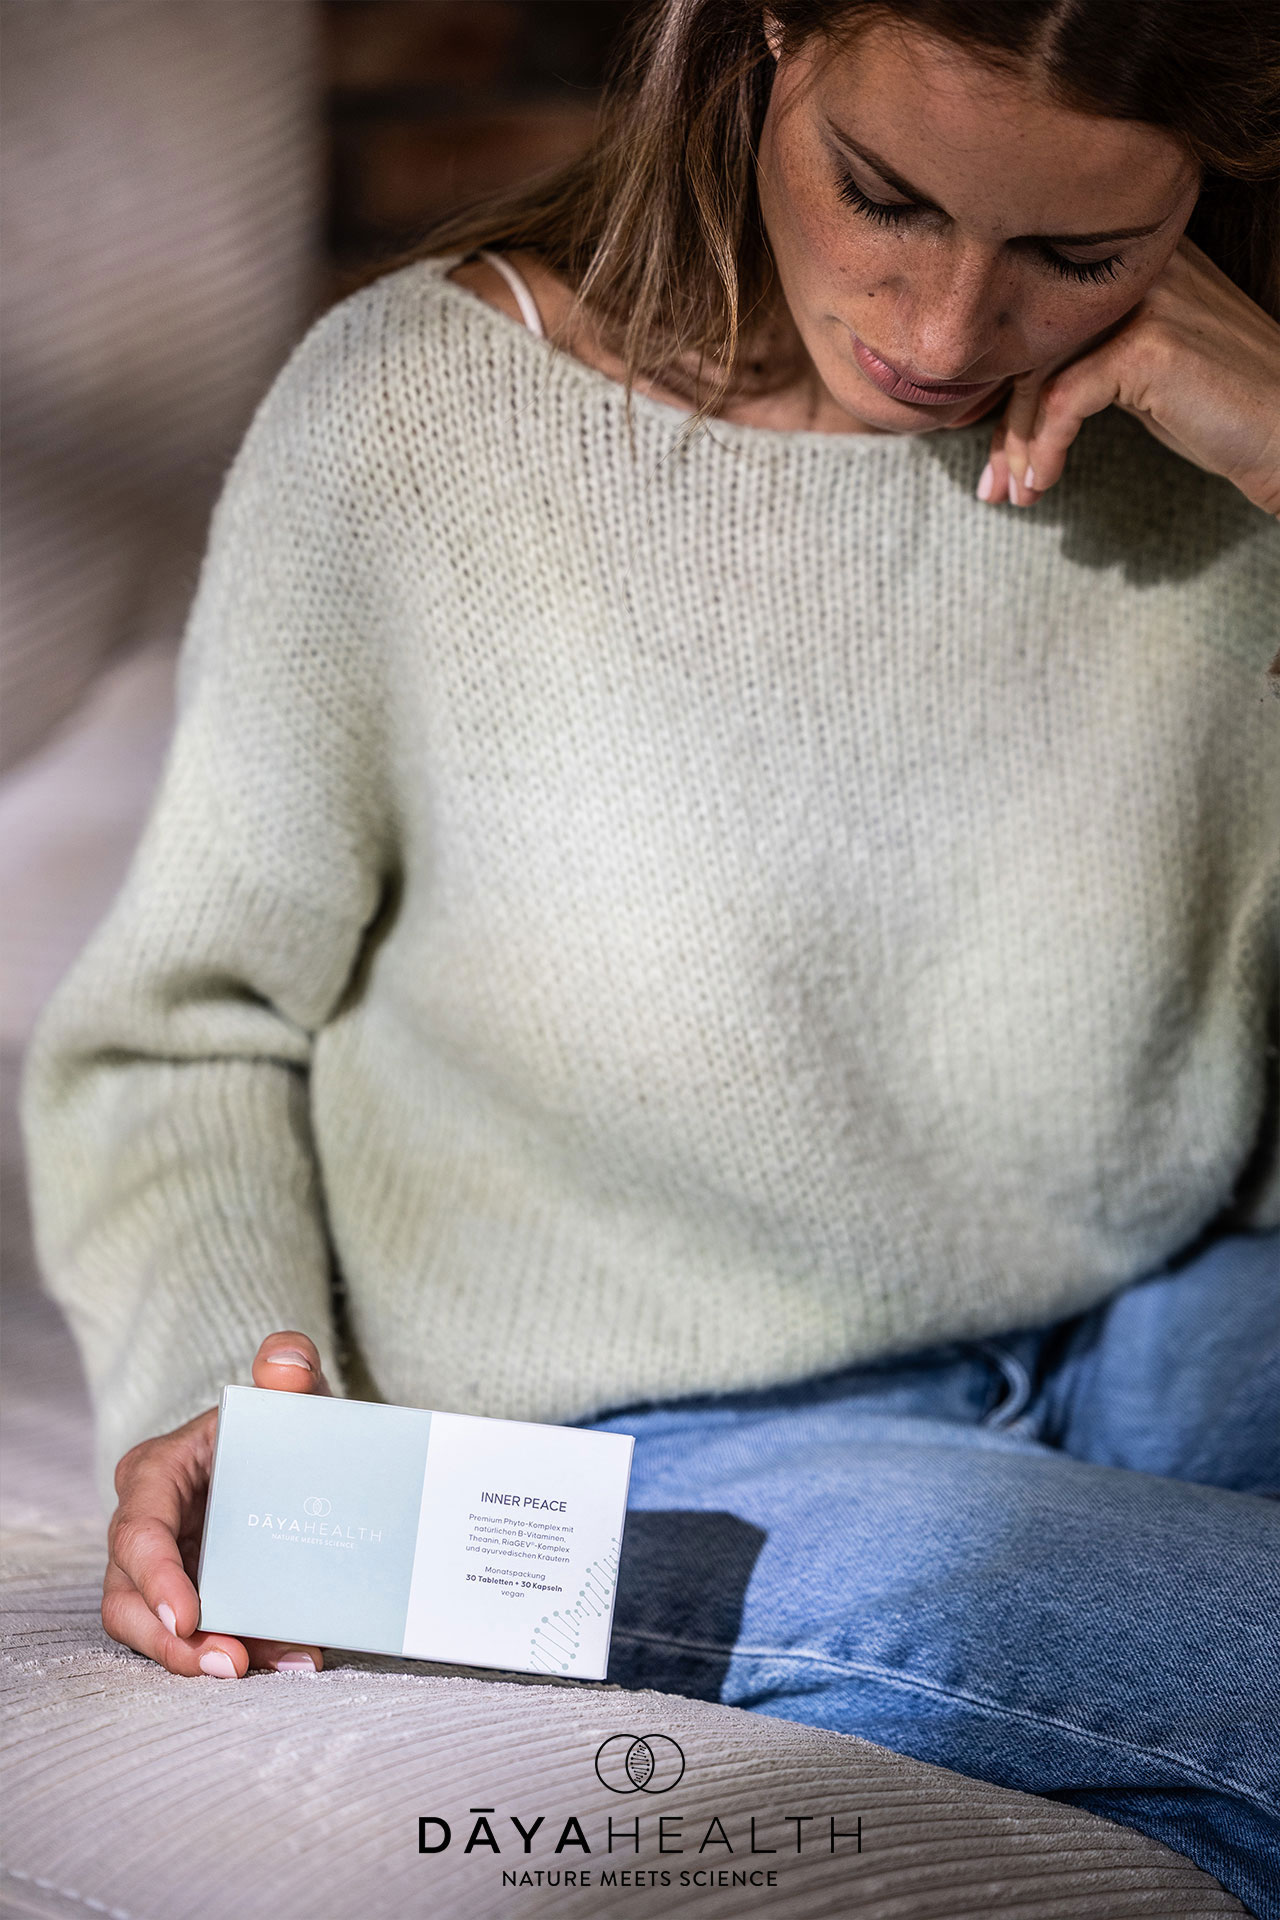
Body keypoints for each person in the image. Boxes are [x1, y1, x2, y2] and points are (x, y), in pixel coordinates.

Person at [19, 0, 1280, 1910]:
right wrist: (236, 1410)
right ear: (769, 35)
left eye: (1074, 255)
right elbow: (182, 1035)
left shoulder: (1227, 423)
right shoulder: (423, 419)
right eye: (884, 197)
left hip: (1176, 1314)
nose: (944, 330)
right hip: (640, 1442)